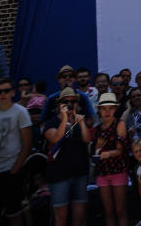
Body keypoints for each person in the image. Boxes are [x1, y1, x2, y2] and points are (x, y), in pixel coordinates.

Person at [0, 77, 32, 226]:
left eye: (6, 90)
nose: (3, 94)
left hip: (11, 169)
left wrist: (16, 169)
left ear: (13, 92)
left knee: (14, 214)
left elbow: (27, 144)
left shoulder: (20, 112)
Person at [43, 87, 92, 226]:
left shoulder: (80, 121)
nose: (70, 104)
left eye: (73, 101)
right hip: (59, 176)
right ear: (59, 104)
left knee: (79, 217)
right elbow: (55, 139)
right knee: (60, 218)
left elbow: (87, 139)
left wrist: (81, 122)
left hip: (80, 174)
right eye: (66, 101)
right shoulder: (51, 122)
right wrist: (65, 118)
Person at [92, 92, 129, 226]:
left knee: (120, 211)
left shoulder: (120, 124)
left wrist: (105, 152)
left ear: (115, 109)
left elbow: (121, 150)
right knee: (108, 211)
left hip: (118, 171)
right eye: (104, 108)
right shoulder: (96, 129)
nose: (107, 111)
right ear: (99, 110)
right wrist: (97, 149)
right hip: (102, 173)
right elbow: (94, 157)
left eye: (110, 108)